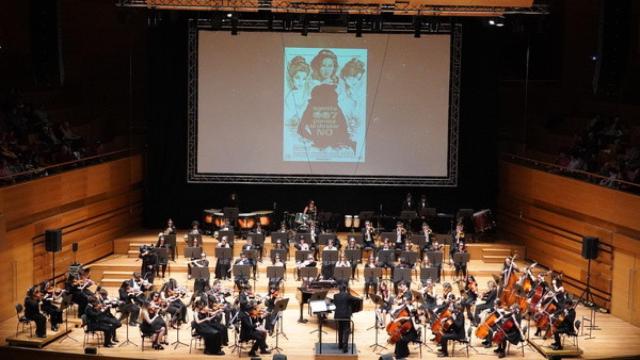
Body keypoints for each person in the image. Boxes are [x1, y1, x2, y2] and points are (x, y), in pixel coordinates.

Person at [285, 56, 311, 126]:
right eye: (297, 78)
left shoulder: (309, 93)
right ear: (292, 78)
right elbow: (289, 118)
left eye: (304, 79)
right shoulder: (290, 96)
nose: (300, 82)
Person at [333, 282, 359, 353]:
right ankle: (345, 348)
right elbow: (357, 299)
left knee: (340, 330)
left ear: (339, 289)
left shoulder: (335, 296)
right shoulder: (348, 295)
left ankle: (340, 345)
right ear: (345, 289)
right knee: (346, 331)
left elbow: (335, 303)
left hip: (338, 316)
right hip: (346, 316)